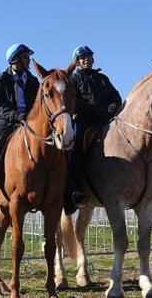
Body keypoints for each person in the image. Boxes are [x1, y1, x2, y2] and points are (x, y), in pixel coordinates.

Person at [64, 45, 123, 215]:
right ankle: (73, 193)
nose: (87, 59)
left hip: (106, 119)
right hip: (84, 121)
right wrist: (95, 109)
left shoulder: (103, 78)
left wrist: (110, 110)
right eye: (83, 57)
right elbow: (73, 101)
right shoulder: (73, 80)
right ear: (77, 62)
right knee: (75, 151)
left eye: (89, 56)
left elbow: (116, 97)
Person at [0, 43, 40, 215]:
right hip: (5, 122)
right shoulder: (0, 79)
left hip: (29, 122)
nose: (28, 60)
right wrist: (15, 116)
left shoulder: (33, 81)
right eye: (25, 56)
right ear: (15, 59)